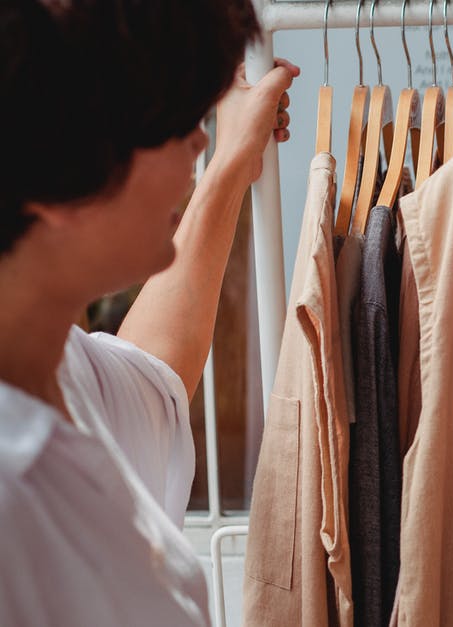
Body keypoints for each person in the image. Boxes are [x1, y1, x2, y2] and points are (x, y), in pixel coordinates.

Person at [0, 1, 298, 624]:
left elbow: (156, 375)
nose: (198, 140)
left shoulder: (54, 363)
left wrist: (229, 168)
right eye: (173, 123)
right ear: (64, 156)